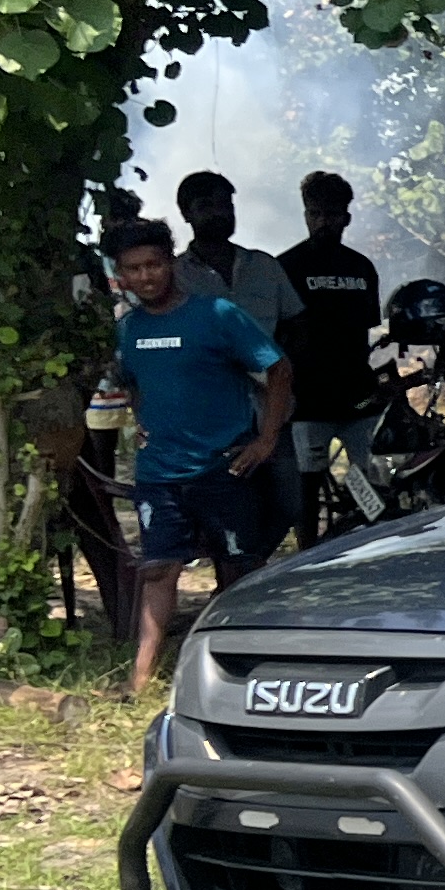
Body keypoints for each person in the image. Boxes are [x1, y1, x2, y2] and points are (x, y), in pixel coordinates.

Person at [103, 218, 292, 696]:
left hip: (223, 467)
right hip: (159, 474)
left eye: (153, 264)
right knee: (158, 570)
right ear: (121, 275)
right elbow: (135, 384)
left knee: (236, 569)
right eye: (133, 269)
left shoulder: (217, 314)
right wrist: (143, 422)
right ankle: (141, 678)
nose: (145, 276)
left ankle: (242, 666)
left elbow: (278, 368)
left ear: (170, 263)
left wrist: (266, 439)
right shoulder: (128, 330)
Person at [171, 173, 304, 565]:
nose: (219, 213)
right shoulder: (176, 276)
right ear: (186, 214)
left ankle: (248, 570)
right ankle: (233, 576)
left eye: (225, 205)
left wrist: (281, 364)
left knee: (288, 502)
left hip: (270, 409)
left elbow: (297, 322)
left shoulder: (264, 266)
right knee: (224, 509)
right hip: (209, 418)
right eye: (206, 206)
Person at [272, 170, 381, 547]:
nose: (322, 222)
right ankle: (306, 554)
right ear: (305, 214)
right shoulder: (286, 267)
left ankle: (370, 545)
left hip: (359, 397)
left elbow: (366, 330)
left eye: (331, 214)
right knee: (308, 482)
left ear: (346, 217)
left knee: (368, 479)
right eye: (315, 214)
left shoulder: (362, 268)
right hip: (308, 398)